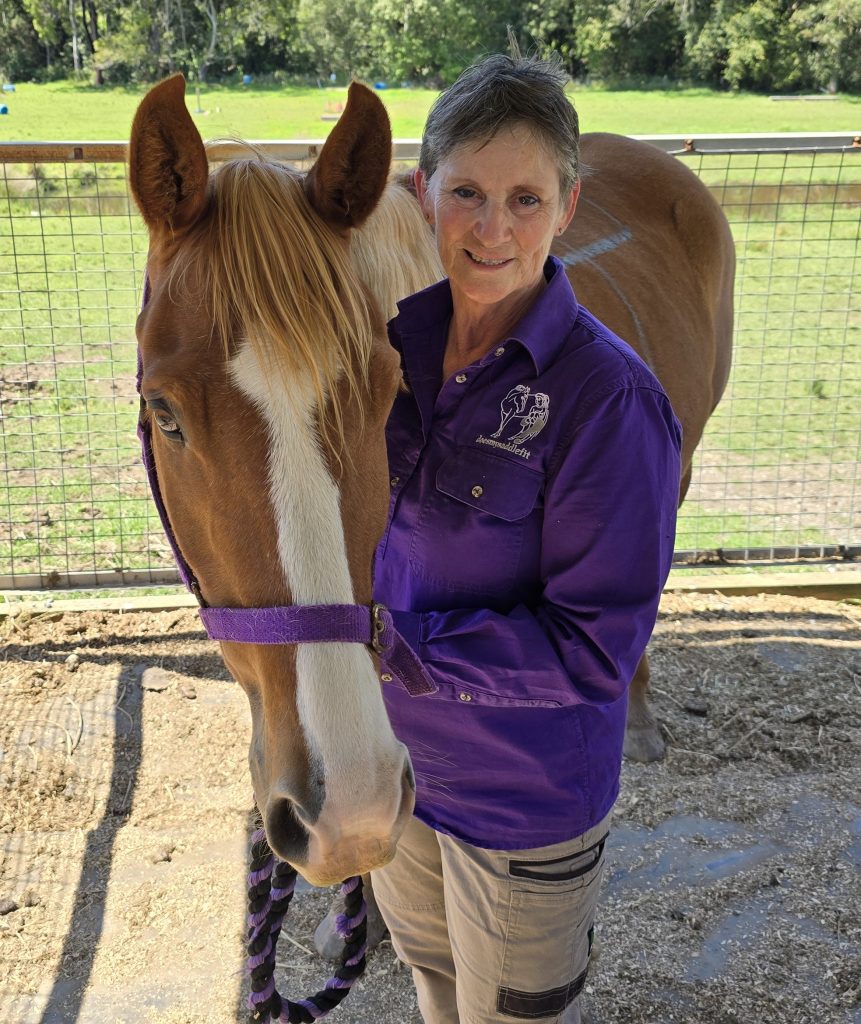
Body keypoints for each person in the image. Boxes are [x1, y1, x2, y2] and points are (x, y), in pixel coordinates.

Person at [370, 45, 682, 1024]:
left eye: (525, 199)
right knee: (432, 986)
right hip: (405, 778)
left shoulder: (606, 397)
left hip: (522, 801)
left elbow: (598, 647)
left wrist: (400, 647)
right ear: (424, 196)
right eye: (466, 193)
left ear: (569, 206)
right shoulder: (387, 355)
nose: (492, 229)